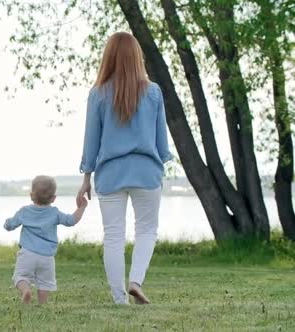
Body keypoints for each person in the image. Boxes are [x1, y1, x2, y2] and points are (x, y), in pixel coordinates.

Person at [77, 32, 172, 305]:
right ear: (137, 56)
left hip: (110, 174)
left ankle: (119, 299)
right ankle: (136, 281)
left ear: (109, 57)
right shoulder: (153, 92)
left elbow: (91, 139)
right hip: (146, 171)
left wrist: (86, 177)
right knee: (146, 230)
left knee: (114, 236)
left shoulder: (97, 94)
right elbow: (161, 140)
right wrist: (161, 160)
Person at [4, 175, 87, 305]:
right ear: (53, 198)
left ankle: (26, 290)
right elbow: (71, 221)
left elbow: (10, 225)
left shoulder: (24, 211)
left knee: (20, 277)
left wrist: (7, 223)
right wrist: (81, 207)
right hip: (47, 257)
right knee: (45, 282)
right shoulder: (54, 213)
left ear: (31, 196)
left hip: (27, 254)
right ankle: (42, 303)